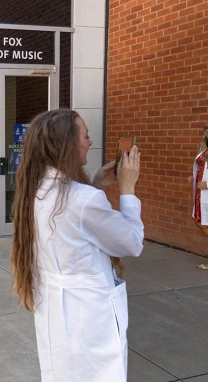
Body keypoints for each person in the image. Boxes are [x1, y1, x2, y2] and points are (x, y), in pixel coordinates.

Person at [11, 109, 144, 382]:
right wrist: (128, 189)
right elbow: (131, 242)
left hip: (55, 311)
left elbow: (72, 222)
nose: (90, 142)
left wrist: (94, 184)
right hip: (88, 316)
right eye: (86, 136)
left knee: (61, 372)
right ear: (68, 143)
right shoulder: (83, 199)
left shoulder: (36, 190)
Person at [189, 122, 208, 270]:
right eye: (206, 128)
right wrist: (194, 177)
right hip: (200, 193)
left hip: (206, 192)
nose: (207, 131)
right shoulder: (205, 149)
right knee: (199, 222)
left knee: (203, 223)